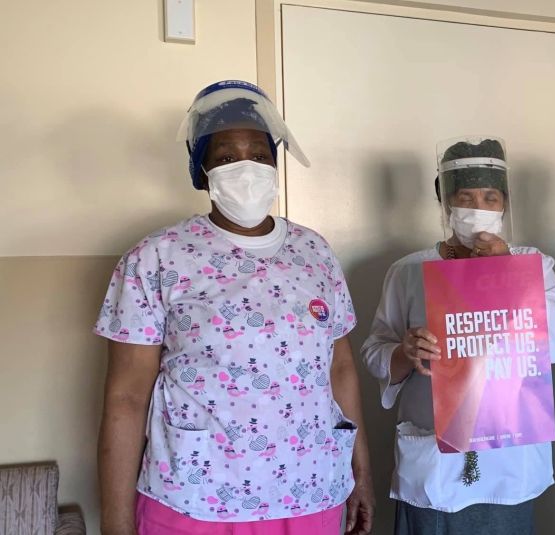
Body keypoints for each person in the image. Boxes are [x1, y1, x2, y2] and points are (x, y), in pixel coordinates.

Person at [95, 80, 374, 535]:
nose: (246, 168)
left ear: (275, 165)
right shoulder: (157, 257)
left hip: (313, 489)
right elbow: (125, 398)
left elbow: (340, 367)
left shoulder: (315, 252)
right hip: (195, 498)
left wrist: (361, 473)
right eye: (226, 157)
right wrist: (115, 522)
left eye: (260, 154)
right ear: (202, 170)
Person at [361, 137, 555, 534]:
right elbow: (375, 351)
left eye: (490, 198)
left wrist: (509, 271)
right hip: (434, 462)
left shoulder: (532, 265)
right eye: (464, 197)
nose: (477, 209)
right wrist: (405, 352)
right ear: (445, 204)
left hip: (510, 460)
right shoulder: (409, 271)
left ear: (505, 204)